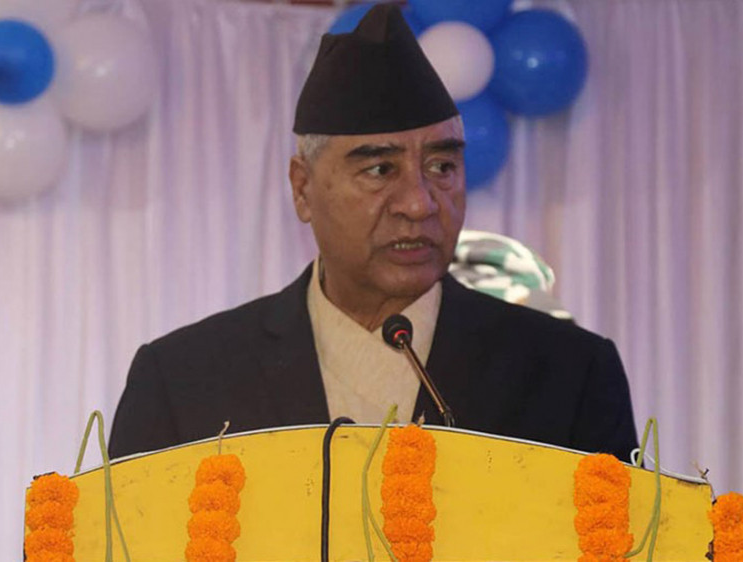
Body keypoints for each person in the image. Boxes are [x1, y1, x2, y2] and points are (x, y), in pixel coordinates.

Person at [108, 4, 637, 461]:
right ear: (303, 189)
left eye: (442, 167)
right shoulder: (184, 379)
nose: (419, 203)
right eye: (380, 169)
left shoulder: (568, 374)